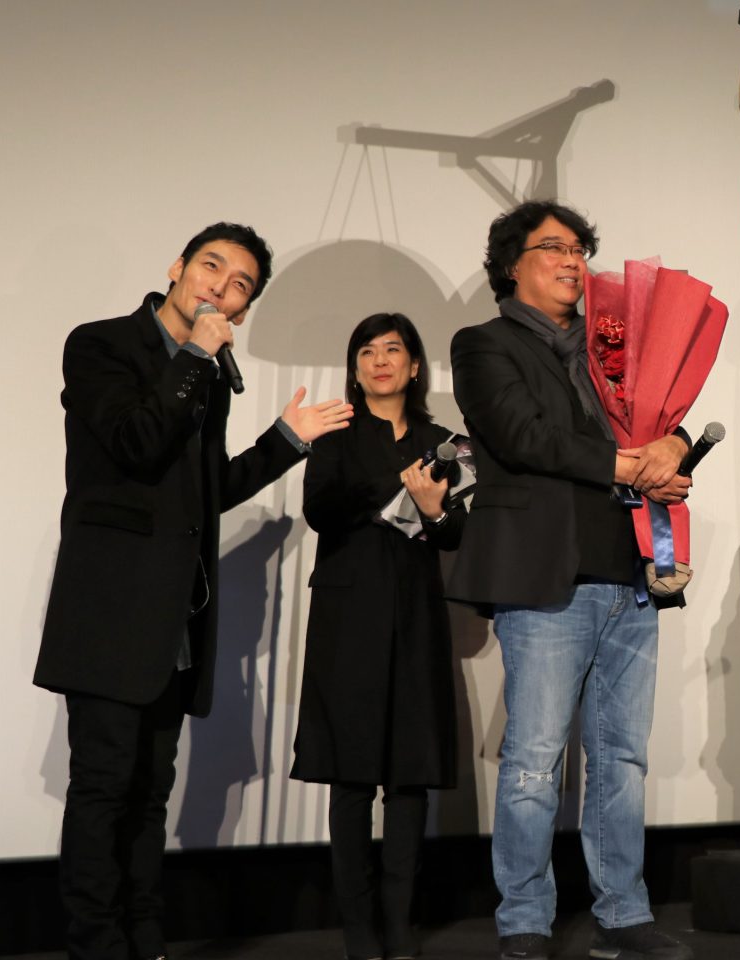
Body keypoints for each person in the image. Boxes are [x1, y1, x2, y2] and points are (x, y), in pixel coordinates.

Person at [34, 222, 354, 960]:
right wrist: (194, 358)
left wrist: (285, 441)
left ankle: (145, 937)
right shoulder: (102, 345)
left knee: (152, 791)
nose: (221, 287)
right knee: (103, 786)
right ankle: (95, 945)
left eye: (240, 285)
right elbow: (136, 443)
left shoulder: (203, 375)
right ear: (177, 266)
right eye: (212, 266)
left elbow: (202, 496)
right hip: (110, 610)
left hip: (177, 617)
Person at [446, 200, 693, 960]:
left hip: (631, 573)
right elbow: (523, 437)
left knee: (622, 757)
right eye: (553, 247)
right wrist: (631, 465)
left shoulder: (612, 347)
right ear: (510, 264)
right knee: (534, 759)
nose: (572, 260)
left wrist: (676, 444)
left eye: (580, 248)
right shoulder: (482, 344)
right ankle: (524, 919)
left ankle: (623, 912)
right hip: (545, 576)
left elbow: (664, 413)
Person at [291, 313, 465, 960]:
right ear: (355, 367)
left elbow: (458, 533)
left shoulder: (442, 442)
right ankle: (359, 929)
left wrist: (434, 511)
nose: (380, 360)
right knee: (353, 775)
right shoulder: (335, 431)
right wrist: (393, 487)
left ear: (415, 366)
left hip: (416, 613)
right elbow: (320, 509)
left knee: (409, 775)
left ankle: (399, 924)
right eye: (367, 351)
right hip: (348, 616)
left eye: (393, 349)